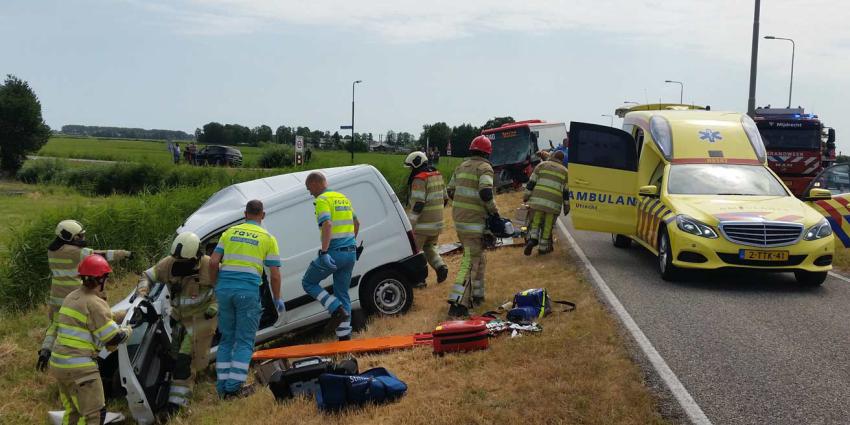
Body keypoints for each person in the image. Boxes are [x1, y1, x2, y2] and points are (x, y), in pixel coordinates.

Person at [136, 232, 217, 415]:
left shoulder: (209, 266)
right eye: (177, 261)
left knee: (184, 361)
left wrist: (215, 306)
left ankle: (177, 405)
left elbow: (225, 288)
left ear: (196, 256)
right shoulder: (169, 263)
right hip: (179, 320)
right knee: (173, 358)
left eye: (185, 262)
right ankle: (169, 394)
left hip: (201, 320)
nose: (180, 265)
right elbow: (147, 276)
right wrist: (142, 292)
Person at [209, 200, 282, 399]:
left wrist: (217, 285)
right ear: (263, 215)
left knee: (226, 340)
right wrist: (277, 298)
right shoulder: (267, 238)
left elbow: (214, 261)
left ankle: (222, 387)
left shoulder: (229, 233)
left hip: (224, 291)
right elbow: (274, 275)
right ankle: (234, 388)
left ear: (245, 214)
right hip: (247, 292)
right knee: (244, 341)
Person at [48, 255, 132, 425]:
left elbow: (93, 319)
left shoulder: (72, 297)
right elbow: (112, 337)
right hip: (80, 369)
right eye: (106, 277)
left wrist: (120, 314)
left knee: (73, 411)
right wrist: (129, 329)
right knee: (94, 415)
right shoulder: (95, 303)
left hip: (59, 364)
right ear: (100, 279)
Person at [37, 220, 131, 372]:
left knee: (54, 326)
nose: (81, 239)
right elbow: (102, 255)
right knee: (88, 323)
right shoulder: (75, 252)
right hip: (74, 297)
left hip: (56, 296)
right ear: (69, 237)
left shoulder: (52, 250)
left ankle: (46, 350)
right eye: (79, 236)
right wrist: (124, 254)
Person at [446, 135, 500, 318]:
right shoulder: (485, 168)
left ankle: (477, 296)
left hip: (460, 220)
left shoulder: (461, 166)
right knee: (470, 261)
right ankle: (458, 303)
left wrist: (463, 205)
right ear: (487, 153)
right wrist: (494, 212)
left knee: (479, 259)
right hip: (474, 223)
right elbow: (486, 192)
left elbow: (450, 190)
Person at [302, 172, 360, 341]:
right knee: (342, 293)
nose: (310, 193)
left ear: (315, 184)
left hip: (333, 252)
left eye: (309, 189)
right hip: (350, 253)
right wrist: (350, 243)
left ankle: (335, 309)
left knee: (308, 282)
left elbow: (327, 223)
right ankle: (344, 338)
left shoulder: (322, 200)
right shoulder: (343, 197)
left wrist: (324, 251)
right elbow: (357, 223)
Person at [404, 151, 449, 284]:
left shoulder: (419, 179)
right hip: (437, 223)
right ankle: (441, 267)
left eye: (411, 167)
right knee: (429, 247)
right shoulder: (437, 174)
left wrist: (410, 223)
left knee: (414, 252)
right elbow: (445, 199)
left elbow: (418, 204)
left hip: (422, 225)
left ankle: (420, 281)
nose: (411, 170)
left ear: (416, 164)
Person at [523, 150, 569, 255]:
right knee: (548, 226)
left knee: (535, 222)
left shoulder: (541, 165)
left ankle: (533, 239)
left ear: (552, 156)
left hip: (538, 201)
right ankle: (543, 248)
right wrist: (567, 207)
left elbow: (531, 182)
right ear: (561, 160)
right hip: (553, 205)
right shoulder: (565, 172)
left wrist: (526, 196)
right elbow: (566, 192)